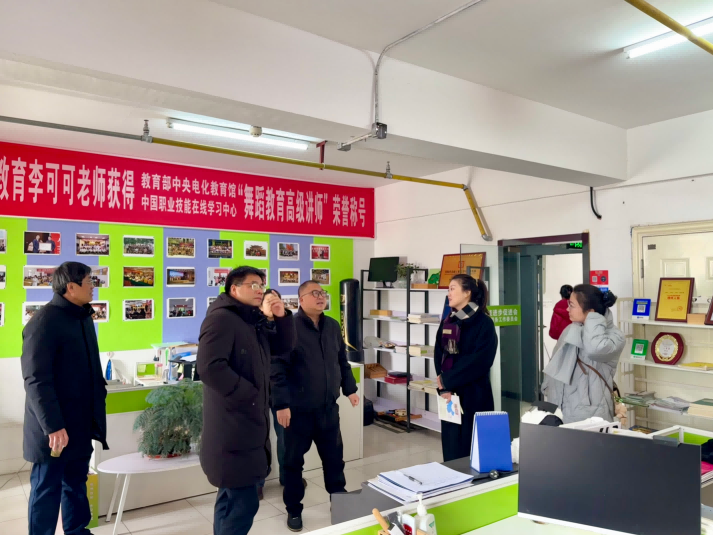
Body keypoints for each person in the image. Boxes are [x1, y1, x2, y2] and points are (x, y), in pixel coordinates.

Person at [197, 266, 296, 535]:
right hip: (232, 425)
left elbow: (282, 348)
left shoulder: (250, 320)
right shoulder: (221, 319)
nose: (259, 290)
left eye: (261, 284)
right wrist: (250, 395)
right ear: (234, 289)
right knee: (242, 503)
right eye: (252, 285)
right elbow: (209, 368)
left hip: (249, 424)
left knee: (231, 498)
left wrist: (281, 317)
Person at [21, 261, 109, 535]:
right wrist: (53, 425)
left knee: (76, 483)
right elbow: (36, 380)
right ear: (71, 287)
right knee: (47, 488)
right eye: (89, 282)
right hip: (53, 428)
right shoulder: (44, 322)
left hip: (80, 423)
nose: (93, 287)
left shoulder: (83, 317)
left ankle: (77, 531)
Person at [272, 280, 359, 532]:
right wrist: (281, 404)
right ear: (301, 299)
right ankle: (294, 510)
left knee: (334, 460)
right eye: (315, 293)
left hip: (327, 409)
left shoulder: (331, 325)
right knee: (293, 464)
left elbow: (341, 360)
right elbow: (276, 369)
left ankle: (339, 502)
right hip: (297, 411)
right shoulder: (289, 327)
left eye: (323, 293)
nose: (321, 297)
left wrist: (350, 389)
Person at [434, 274, 498, 462]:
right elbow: (439, 353)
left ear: (467, 292)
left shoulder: (484, 323)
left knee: (473, 449)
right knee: (451, 448)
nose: (448, 293)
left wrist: (448, 380)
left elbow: (480, 361)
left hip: (474, 395)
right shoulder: (449, 320)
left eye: (452, 288)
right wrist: (443, 385)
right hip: (449, 395)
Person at [542, 285, 625, 424]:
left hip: (590, 414)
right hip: (560, 408)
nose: (567, 309)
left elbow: (595, 349)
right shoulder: (571, 329)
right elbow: (555, 361)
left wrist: (593, 319)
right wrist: (547, 388)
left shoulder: (615, 337)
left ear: (591, 312)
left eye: (572, 305)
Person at [257, 289, 307, 500]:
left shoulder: (288, 326)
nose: (273, 303)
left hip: (284, 392)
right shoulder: (253, 326)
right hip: (258, 392)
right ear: (260, 306)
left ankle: (288, 477)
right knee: (258, 439)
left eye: (276, 300)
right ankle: (257, 483)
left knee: (286, 438)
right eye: (268, 300)